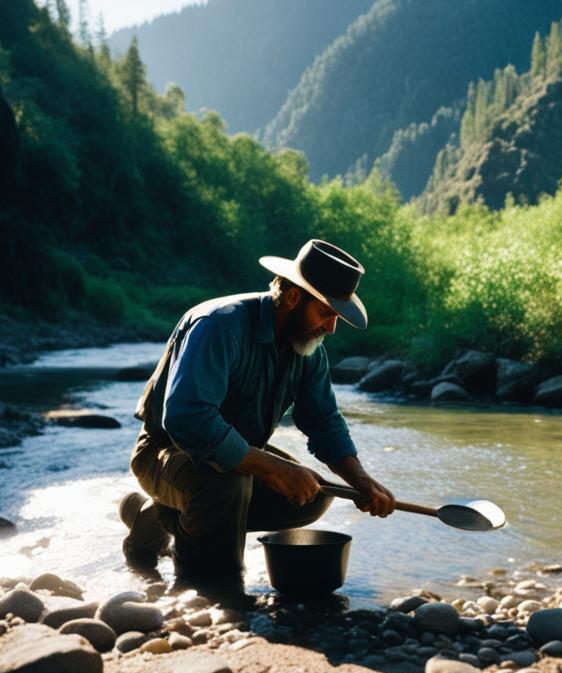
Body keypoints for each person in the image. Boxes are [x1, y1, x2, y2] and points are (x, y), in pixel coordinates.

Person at [118, 239, 395, 587]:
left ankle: (162, 514)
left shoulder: (308, 349)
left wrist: (362, 481)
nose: (331, 328)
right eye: (326, 313)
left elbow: (324, 423)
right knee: (226, 486)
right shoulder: (219, 325)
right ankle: (212, 585)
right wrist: (271, 467)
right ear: (293, 297)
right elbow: (186, 418)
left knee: (317, 492)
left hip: (236, 458)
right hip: (166, 450)